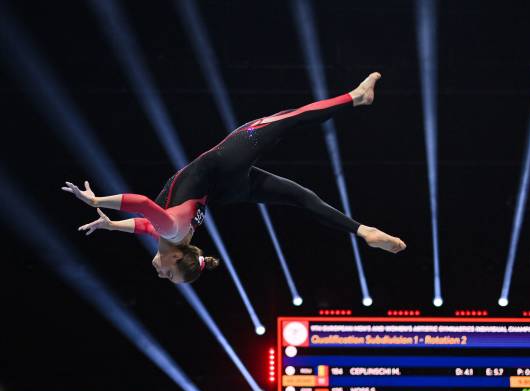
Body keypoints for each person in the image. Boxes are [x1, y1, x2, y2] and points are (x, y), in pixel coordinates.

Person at [62, 72, 406, 284]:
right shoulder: (171, 231)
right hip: (226, 166)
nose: (160, 273)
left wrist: (110, 225)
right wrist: (96, 202)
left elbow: (141, 224)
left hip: (226, 187)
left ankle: (363, 232)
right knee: (288, 119)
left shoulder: (170, 235)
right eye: (169, 273)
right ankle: (356, 97)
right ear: (177, 258)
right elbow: (141, 206)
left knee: (299, 196)